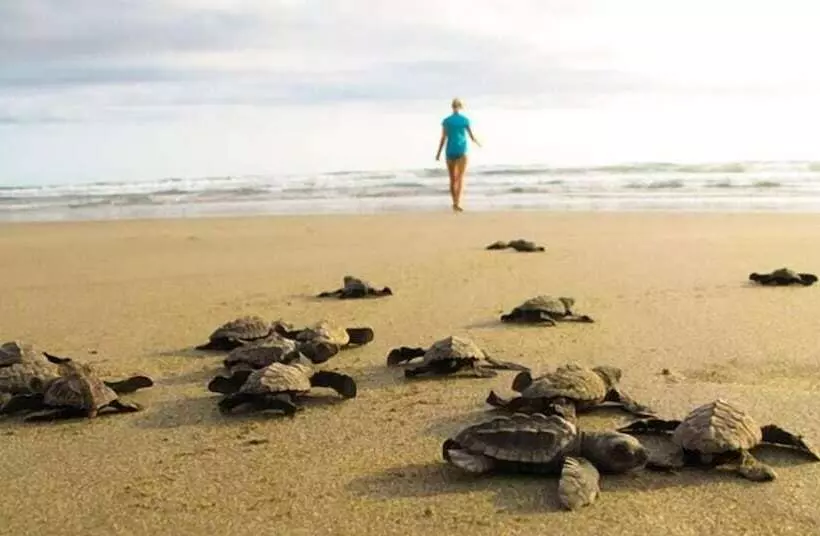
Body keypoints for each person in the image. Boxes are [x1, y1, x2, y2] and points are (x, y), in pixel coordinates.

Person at [435, 97, 481, 212]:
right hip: (461, 150)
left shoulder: (446, 121)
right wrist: (478, 142)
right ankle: (458, 203)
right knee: (460, 178)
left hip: (450, 151)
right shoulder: (465, 120)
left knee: (452, 179)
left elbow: (443, 138)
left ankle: (454, 202)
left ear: (452, 107)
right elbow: (471, 137)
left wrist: (438, 153)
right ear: (460, 107)